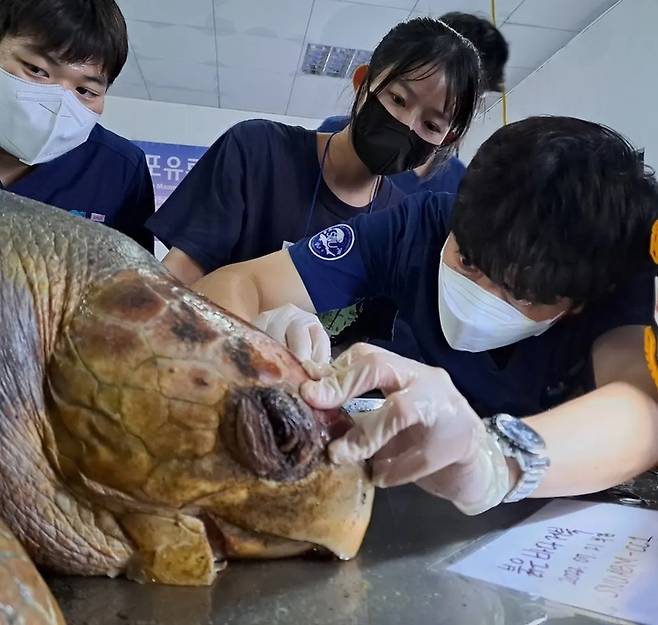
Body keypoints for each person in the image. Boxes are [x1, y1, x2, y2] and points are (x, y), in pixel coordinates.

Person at [193, 117, 658, 428]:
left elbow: (637, 415)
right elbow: (235, 284)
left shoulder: (618, 269)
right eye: (468, 263)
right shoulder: (418, 227)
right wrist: (252, 348)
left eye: (523, 294)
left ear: (579, 299)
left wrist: (499, 460)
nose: (482, 298)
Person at [147, 17, 482, 287]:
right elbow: (174, 282)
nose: (407, 125)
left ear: (445, 140)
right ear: (363, 82)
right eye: (397, 99)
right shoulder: (257, 152)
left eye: (432, 126)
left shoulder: (399, 222)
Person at [0, 0, 155, 252]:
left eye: (85, 90)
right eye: (37, 70)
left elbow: (129, 279)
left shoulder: (118, 168)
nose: (58, 101)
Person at [318, 12, 509, 196]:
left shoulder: (456, 182)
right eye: (398, 99)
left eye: (476, 94)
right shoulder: (335, 134)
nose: (407, 124)